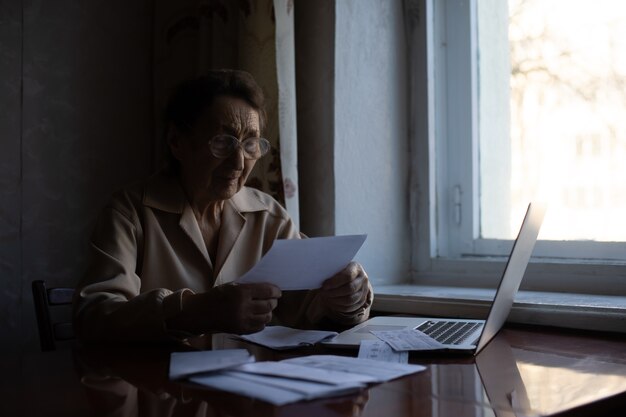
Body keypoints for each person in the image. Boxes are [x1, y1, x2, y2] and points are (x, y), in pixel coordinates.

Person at [73, 69, 373, 342]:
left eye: (250, 144)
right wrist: (196, 311)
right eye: (222, 142)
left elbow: (312, 306)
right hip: (156, 392)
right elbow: (95, 318)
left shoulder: (269, 217)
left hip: (245, 394)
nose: (239, 162)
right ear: (177, 141)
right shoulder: (129, 212)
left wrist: (349, 297)